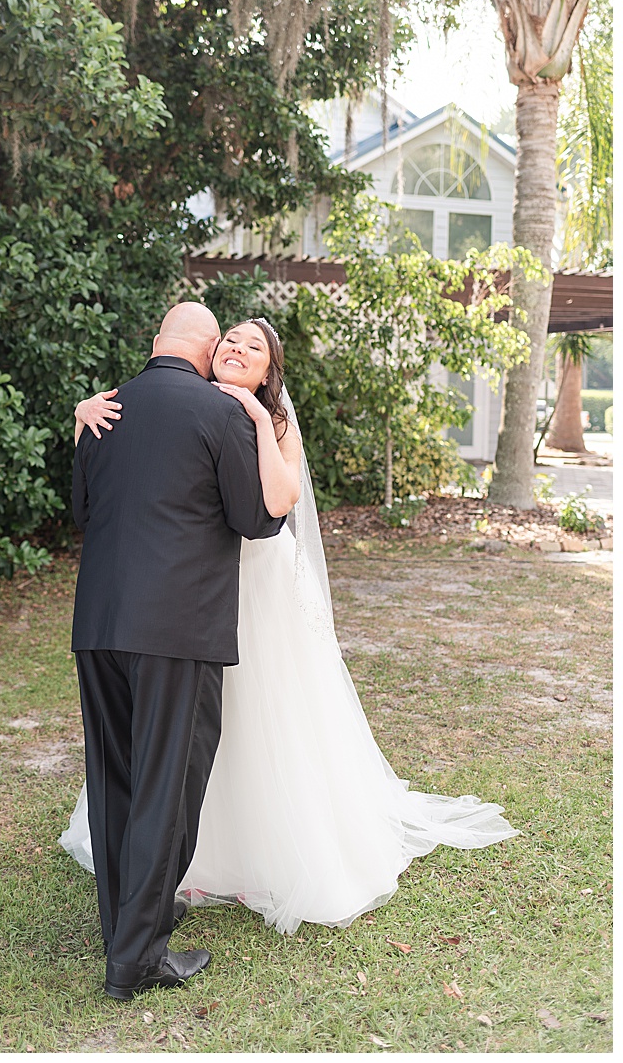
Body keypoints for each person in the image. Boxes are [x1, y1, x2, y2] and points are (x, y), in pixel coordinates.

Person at [62, 316, 516, 939]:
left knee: (227, 731)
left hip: (234, 591)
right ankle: (167, 890)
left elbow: (274, 508)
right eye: (231, 341)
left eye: (254, 347)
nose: (238, 349)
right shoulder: (134, 407)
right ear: (206, 349)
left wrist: (253, 418)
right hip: (190, 597)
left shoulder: (249, 417)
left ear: (270, 371)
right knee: (181, 748)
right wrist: (82, 414)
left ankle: (218, 864)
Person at [67, 302, 289, 1001]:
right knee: (167, 788)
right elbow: (257, 519)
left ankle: (128, 925)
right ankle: (136, 961)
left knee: (116, 781)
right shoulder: (218, 412)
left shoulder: (102, 410)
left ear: (156, 340)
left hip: (99, 622)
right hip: (177, 630)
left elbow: (82, 512)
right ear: (201, 346)